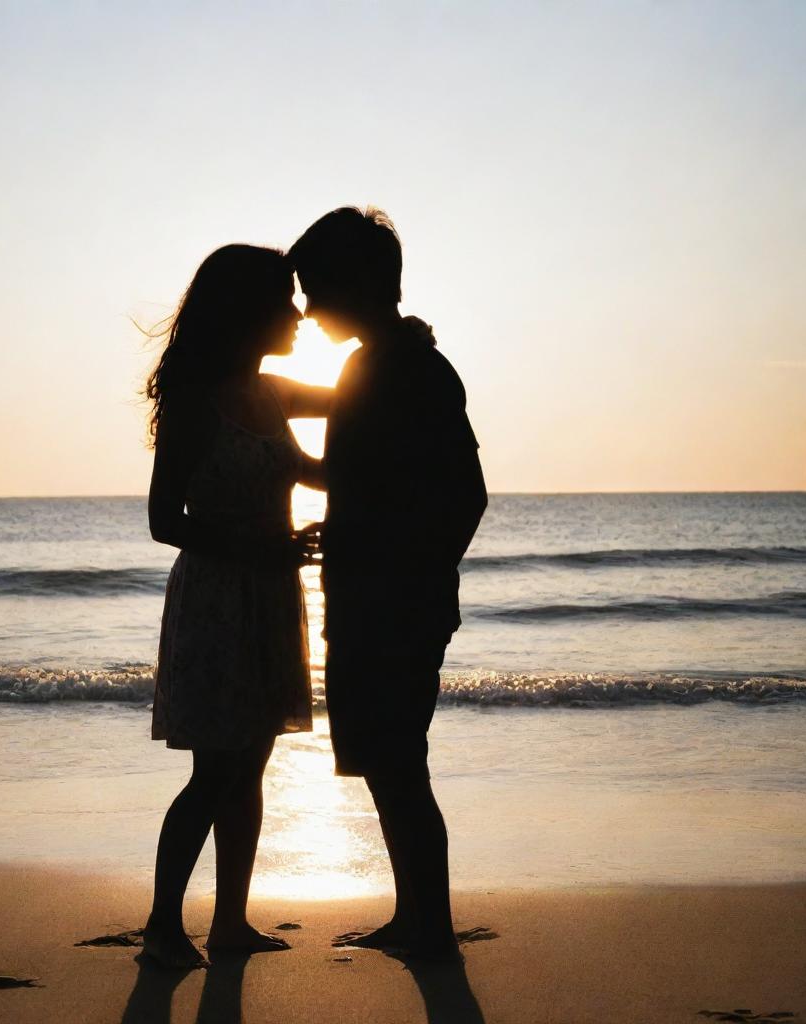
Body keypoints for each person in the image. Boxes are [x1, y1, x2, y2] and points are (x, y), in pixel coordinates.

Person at [289, 207, 488, 961]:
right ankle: (418, 919)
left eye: (315, 291)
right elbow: (357, 483)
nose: (306, 309)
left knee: (399, 764)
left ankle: (428, 926)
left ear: (358, 284)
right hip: (382, 598)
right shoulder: (383, 364)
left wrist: (410, 570)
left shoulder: (404, 369)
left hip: (391, 606)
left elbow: (465, 494)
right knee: (393, 764)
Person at [142, 243, 332, 969]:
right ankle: (162, 925)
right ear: (247, 311)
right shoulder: (198, 400)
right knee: (214, 771)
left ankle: (230, 922)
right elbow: (164, 520)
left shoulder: (278, 392)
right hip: (221, 598)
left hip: (272, 594)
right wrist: (259, 549)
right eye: (283, 299)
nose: (295, 313)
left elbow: (343, 432)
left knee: (251, 765)